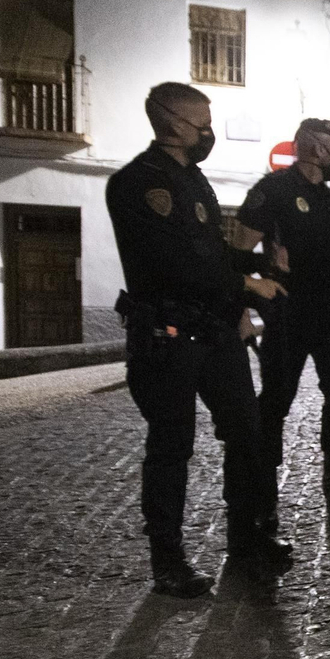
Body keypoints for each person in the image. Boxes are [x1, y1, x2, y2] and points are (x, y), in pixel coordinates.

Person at [106, 82, 292, 597]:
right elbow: (177, 264)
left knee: (247, 433)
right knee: (171, 447)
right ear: (171, 122)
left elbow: (211, 252)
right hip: (166, 337)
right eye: (201, 124)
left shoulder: (195, 180)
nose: (209, 132)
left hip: (215, 331)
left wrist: (255, 270)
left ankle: (246, 540)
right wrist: (246, 284)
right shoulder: (137, 184)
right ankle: (168, 561)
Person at [234, 118, 330, 505]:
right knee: (276, 401)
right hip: (288, 316)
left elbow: (328, 254)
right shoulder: (272, 191)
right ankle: (262, 489)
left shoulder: (327, 198)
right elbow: (236, 253)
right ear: (317, 149)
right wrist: (244, 309)